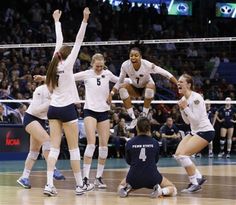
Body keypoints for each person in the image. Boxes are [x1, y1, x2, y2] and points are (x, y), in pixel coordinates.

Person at [43, 8, 90, 196]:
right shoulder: (68, 63)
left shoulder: (53, 63)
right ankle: (79, 185)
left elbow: (59, 40)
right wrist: (85, 19)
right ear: (67, 54)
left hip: (53, 109)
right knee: (73, 149)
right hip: (67, 110)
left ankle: (48, 185)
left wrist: (56, 21)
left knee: (54, 148)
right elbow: (79, 40)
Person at [73, 53, 128, 189]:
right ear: (92, 64)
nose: (99, 68)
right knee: (91, 144)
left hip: (103, 111)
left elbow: (121, 80)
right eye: (97, 66)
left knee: (103, 146)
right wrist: (47, 77)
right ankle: (85, 178)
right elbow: (68, 78)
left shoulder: (107, 73)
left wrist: (139, 80)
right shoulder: (86, 74)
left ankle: (98, 178)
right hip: (90, 111)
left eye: (101, 66)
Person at [110, 42, 178, 129]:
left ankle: (144, 115)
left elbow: (164, 73)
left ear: (141, 57)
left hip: (147, 89)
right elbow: (120, 81)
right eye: (131, 55)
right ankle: (133, 118)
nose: (133, 57)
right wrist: (112, 93)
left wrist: (177, 83)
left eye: (136, 55)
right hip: (135, 89)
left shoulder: (147, 65)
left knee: (149, 87)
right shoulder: (125, 65)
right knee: (122, 89)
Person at [16, 84, 65, 189]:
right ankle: (54, 169)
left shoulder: (57, 92)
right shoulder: (40, 89)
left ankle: (24, 177)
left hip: (41, 121)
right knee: (47, 141)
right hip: (31, 118)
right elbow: (36, 111)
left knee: (34, 152)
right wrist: (50, 102)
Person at [174, 74, 215, 193]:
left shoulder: (196, 97)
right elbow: (187, 121)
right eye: (178, 82)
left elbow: (196, 120)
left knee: (183, 155)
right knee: (178, 155)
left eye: (181, 82)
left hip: (205, 131)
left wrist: (185, 108)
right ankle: (199, 177)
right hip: (194, 131)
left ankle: (194, 183)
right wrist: (182, 110)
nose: (178, 84)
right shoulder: (183, 99)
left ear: (189, 84)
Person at [118, 116, 177, 198]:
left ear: (137, 128)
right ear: (149, 128)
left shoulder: (130, 143)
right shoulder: (155, 142)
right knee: (173, 188)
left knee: (121, 186)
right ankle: (161, 191)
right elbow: (156, 160)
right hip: (152, 176)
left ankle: (127, 189)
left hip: (133, 176)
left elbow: (128, 161)